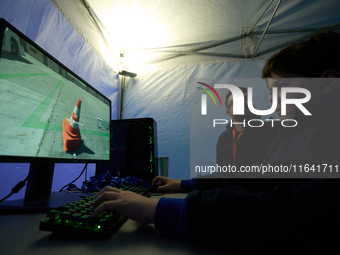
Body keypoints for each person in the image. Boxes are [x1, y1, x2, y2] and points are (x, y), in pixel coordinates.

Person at [92, 30, 340, 253]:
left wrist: (158, 210)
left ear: (328, 83)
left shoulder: (301, 135)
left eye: (282, 87)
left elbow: (291, 213)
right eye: (272, 92)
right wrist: (184, 184)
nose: (274, 102)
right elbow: (246, 174)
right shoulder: (292, 135)